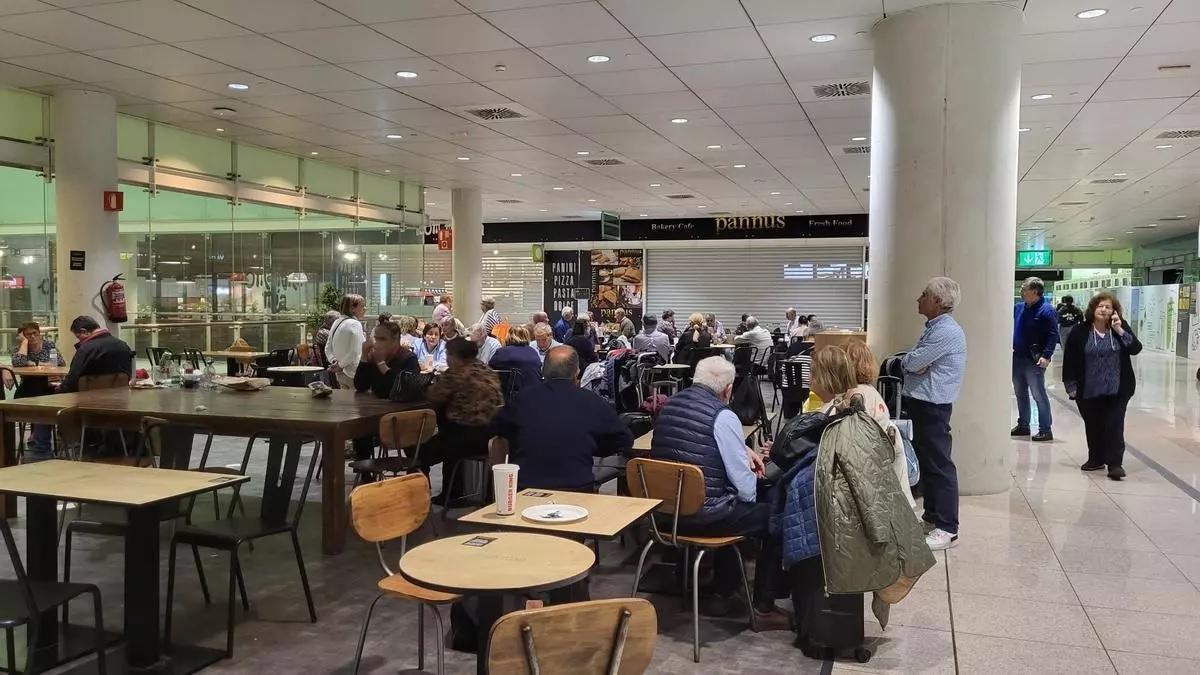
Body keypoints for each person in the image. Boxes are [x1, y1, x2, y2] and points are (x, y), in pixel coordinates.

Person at [650, 356, 791, 630]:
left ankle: (723, 588)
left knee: (728, 500)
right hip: (707, 517)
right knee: (773, 515)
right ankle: (762, 607)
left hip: (665, 515)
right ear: (728, 390)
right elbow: (746, 490)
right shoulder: (723, 416)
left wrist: (740, 449)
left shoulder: (668, 407)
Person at [490, 346, 632, 492]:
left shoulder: (522, 399)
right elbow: (624, 440)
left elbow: (496, 427)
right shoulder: (591, 401)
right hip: (576, 490)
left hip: (525, 490)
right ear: (577, 372)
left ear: (543, 371)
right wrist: (592, 446)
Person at [901, 277, 967, 551]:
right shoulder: (934, 327)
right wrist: (912, 363)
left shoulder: (945, 331)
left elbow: (912, 361)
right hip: (922, 404)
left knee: (939, 465)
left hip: (932, 406)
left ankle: (947, 527)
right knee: (928, 464)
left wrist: (911, 363)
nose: (919, 298)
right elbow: (912, 363)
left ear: (937, 302)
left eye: (925, 294)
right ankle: (931, 517)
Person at [823, 342, 915, 507]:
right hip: (885, 454)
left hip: (870, 461)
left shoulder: (856, 396)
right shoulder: (870, 391)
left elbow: (851, 432)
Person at [1062, 291, 1142, 480]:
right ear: (1093, 309)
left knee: (1114, 424)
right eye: (1100, 306)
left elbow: (1135, 349)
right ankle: (1096, 458)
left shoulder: (1119, 328)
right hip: (1088, 388)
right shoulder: (1080, 331)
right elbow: (1070, 358)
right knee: (1094, 424)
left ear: (1115, 311)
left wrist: (1120, 330)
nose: (1104, 310)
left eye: (1108, 307)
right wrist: (1071, 385)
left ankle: (1115, 464)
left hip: (1118, 389)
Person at [425, 337, 504, 503]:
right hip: (494, 437)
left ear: (454, 356)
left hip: (465, 438)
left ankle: (446, 493)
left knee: (421, 451)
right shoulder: (487, 370)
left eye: (447, 354)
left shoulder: (456, 373)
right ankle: (457, 491)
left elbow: (433, 396)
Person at [352, 319, 420, 464]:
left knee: (413, 442)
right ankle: (364, 471)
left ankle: (415, 472)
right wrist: (364, 357)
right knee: (358, 427)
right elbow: (360, 385)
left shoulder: (408, 358)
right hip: (376, 414)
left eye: (382, 339)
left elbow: (403, 388)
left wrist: (382, 364)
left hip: (402, 417)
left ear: (395, 340)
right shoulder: (373, 357)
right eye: (376, 338)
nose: (377, 343)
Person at [1012, 276, 1059, 442]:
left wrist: (1047, 355)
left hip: (1035, 360)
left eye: (1024, 289)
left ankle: (1045, 429)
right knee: (1020, 393)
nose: (1021, 291)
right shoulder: (1019, 308)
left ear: (1035, 292)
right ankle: (1023, 425)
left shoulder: (1047, 310)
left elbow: (1053, 335)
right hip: (1017, 357)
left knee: (1038, 394)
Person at [10, 322, 66, 461]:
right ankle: (39, 438)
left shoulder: (49, 345)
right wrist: (24, 343)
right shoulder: (19, 348)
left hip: (48, 386)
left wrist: (33, 364)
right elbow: (18, 362)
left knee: (48, 393)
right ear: (22, 336)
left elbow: (59, 363)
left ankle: (43, 436)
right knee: (40, 392)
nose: (33, 336)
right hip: (28, 389)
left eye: (35, 333)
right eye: (28, 334)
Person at [59, 315, 135, 394]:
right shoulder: (123, 345)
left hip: (88, 399)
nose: (79, 341)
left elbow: (72, 380)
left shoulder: (86, 349)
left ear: (84, 331)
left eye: (78, 337)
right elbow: (128, 375)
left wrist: (58, 391)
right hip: (119, 398)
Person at [325, 293, 366, 389]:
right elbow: (355, 351)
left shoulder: (337, 322)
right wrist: (340, 365)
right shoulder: (355, 324)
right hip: (352, 372)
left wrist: (335, 362)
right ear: (352, 308)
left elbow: (328, 348)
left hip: (340, 373)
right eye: (362, 306)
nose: (364, 309)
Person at [488, 325, 542, 391]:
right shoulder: (533, 352)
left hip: (511, 396)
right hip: (534, 392)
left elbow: (489, 370)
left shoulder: (503, 352)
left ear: (509, 336)